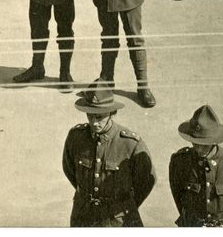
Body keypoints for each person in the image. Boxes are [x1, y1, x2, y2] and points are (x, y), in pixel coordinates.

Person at [62, 88, 155, 226]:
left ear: (112, 112)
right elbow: (69, 169)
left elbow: (146, 180)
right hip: (83, 216)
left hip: (118, 220)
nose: (94, 122)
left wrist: (125, 205)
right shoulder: (76, 137)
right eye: (90, 115)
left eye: (99, 117)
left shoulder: (130, 144)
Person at [169, 105, 223, 227]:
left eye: (204, 144)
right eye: (195, 143)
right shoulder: (180, 162)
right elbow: (179, 197)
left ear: (215, 141)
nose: (199, 149)